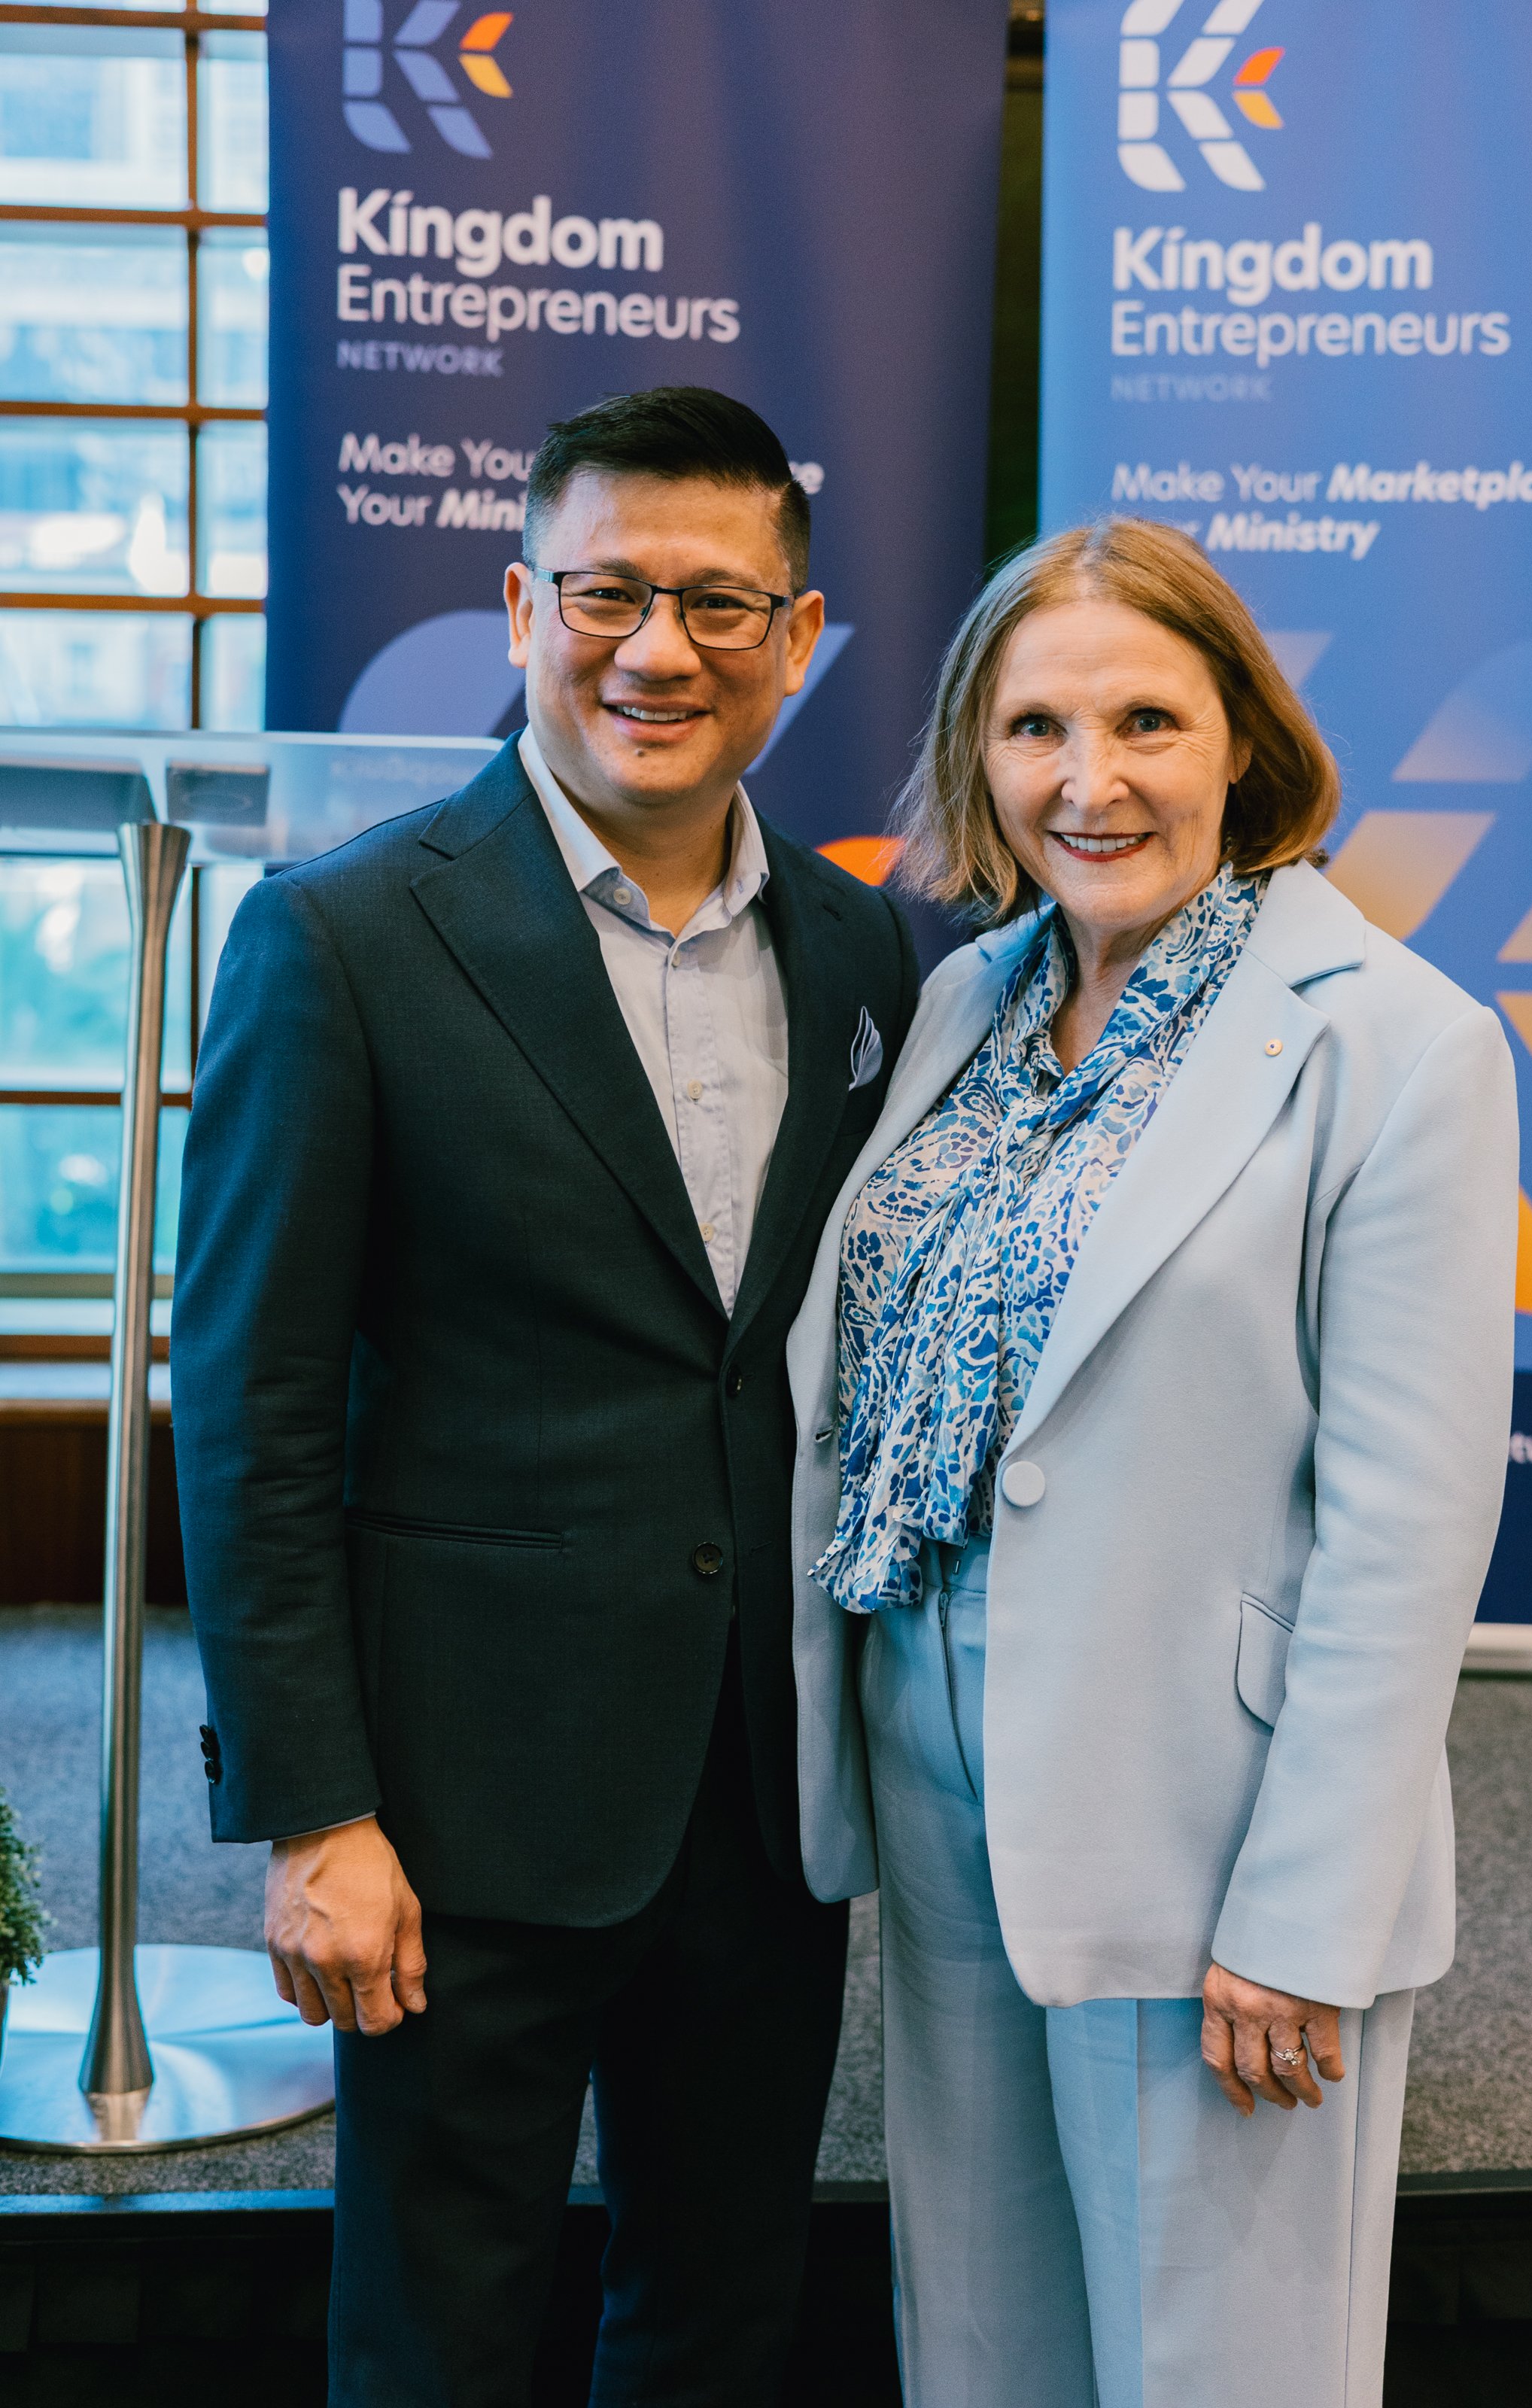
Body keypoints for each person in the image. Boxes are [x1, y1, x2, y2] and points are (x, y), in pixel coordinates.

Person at [172, 385, 919, 2406]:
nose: (653, 650)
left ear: (794, 631)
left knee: (717, 2309)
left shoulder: (875, 957)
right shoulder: (340, 940)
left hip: (765, 1788)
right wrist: (315, 1808)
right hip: (458, 1797)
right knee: (439, 2331)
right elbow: (247, 1412)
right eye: (604, 594)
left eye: (712, 604)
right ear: (519, 603)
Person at [786, 517, 1518, 2407]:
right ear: (979, 754)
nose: (1087, 779)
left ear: (1242, 742)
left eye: (1144, 721)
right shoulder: (967, 1001)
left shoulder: (1394, 1046)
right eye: (1035, 727)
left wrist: (1302, 1917)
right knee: (982, 2339)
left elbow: (1404, 1526)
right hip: (949, 1789)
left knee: (1219, 2366)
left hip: (1214, 1822)